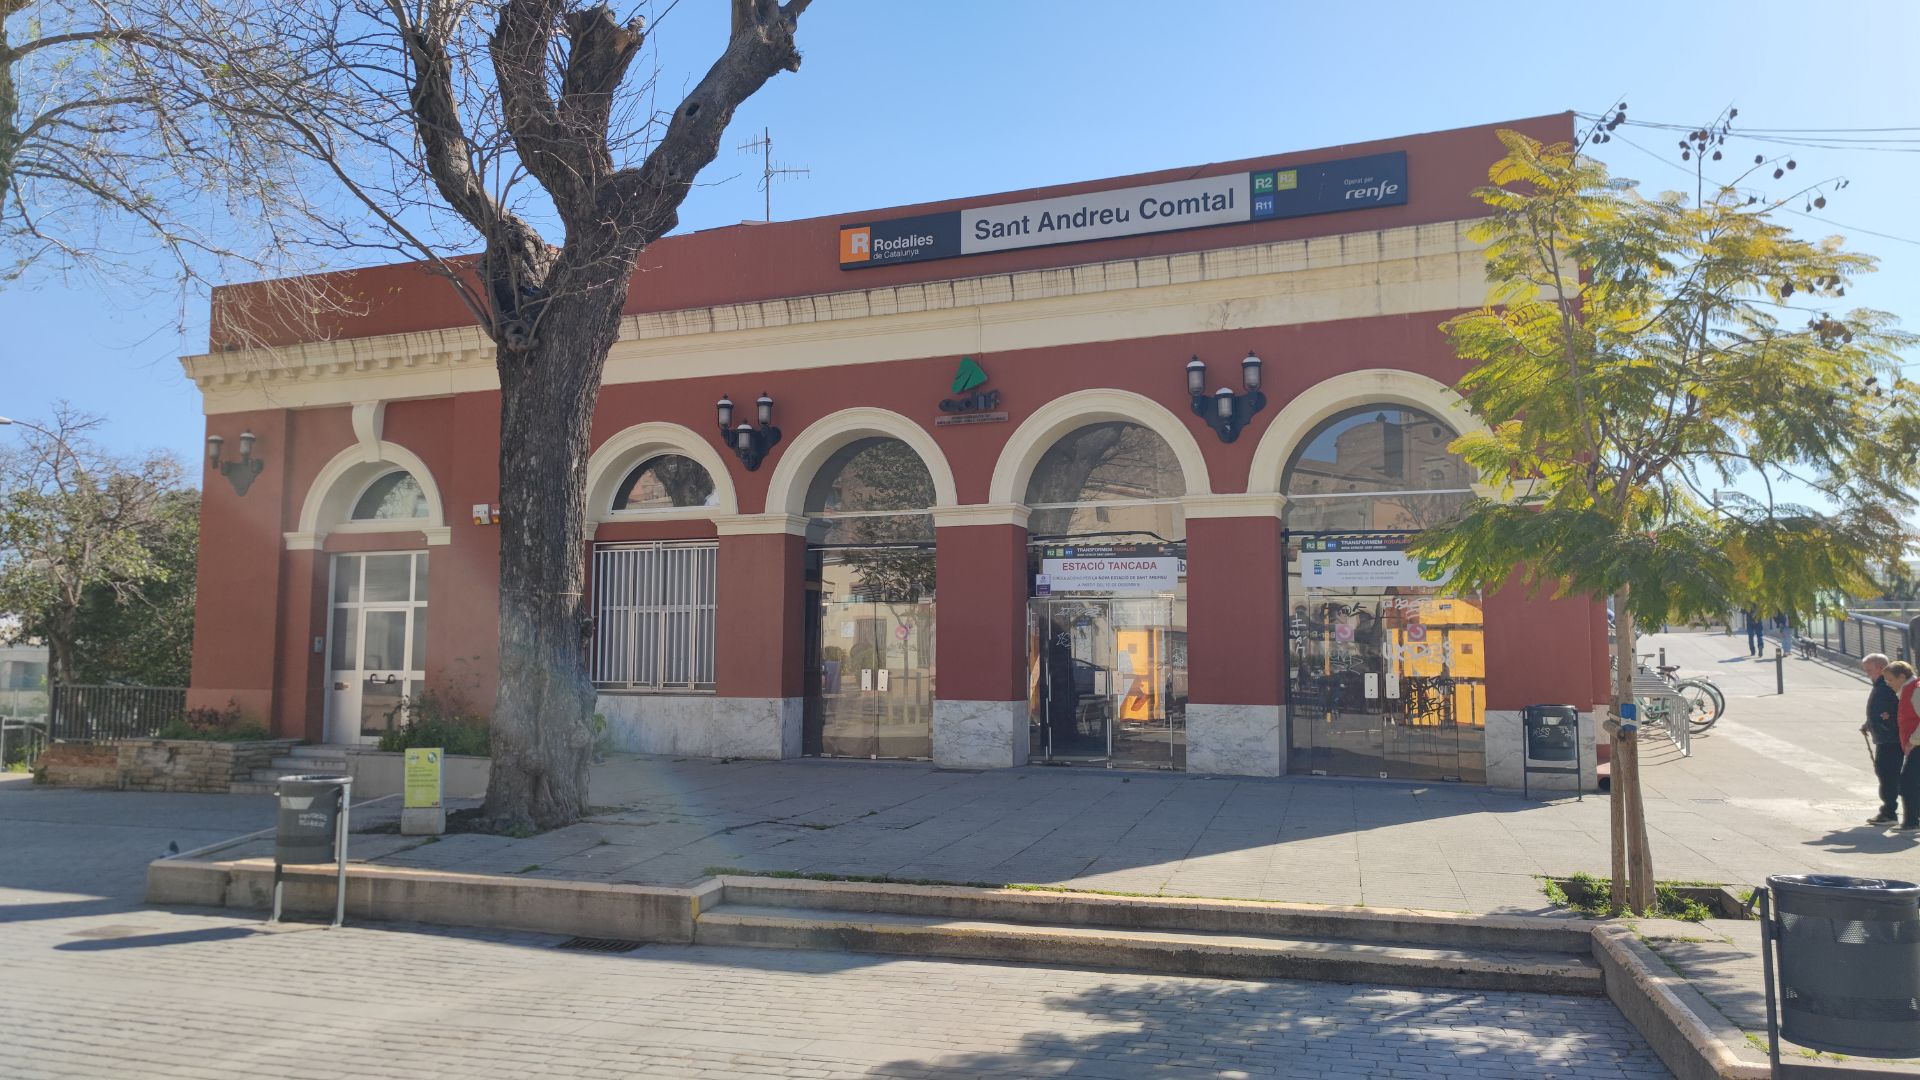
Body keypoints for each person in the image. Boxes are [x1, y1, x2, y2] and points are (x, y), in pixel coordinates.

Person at [1860, 654, 1902, 825]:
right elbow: (1881, 711)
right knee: (1886, 774)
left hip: (1889, 740)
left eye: (1870, 670)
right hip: (1885, 738)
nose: (1867, 674)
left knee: (1888, 775)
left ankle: (1889, 812)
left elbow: (1891, 712)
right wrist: (1869, 724)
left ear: (1880, 668)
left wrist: (1881, 725)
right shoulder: (1882, 685)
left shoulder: (1885, 686)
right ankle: (1890, 810)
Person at [1884, 660, 1920, 832]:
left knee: (1908, 782)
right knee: (1911, 782)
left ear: (1902, 676)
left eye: (1890, 680)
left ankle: (1912, 822)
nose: (1888, 684)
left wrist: (1913, 741)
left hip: (1918, 745)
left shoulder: (1916, 690)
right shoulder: (1908, 690)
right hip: (1914, 744)